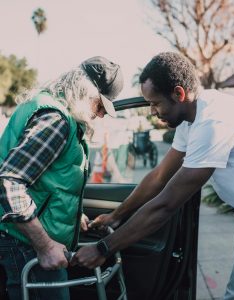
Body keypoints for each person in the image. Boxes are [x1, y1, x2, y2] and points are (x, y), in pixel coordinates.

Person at [72, 52, 234, 300]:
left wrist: (104, 248)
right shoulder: (192, 117)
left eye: (156, 103)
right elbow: (160, 176)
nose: (152, 111)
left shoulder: (214, 123)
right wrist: (116, 216)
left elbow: (166, 204)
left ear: (179, 94)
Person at [0, 55, 123, 300]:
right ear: (84, 92)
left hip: (27, 236)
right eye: (100, 106)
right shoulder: (56, 120)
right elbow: (9, 182)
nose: (100, 115)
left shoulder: (56, 111)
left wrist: (74, 215)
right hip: (24, 241)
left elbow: (49, 181)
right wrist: (44, 246)